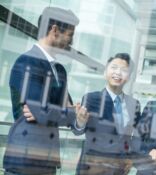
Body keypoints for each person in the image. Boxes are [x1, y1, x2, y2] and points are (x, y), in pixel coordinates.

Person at [3, 7, 83, 175]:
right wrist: (68, 112)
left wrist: (75, 116)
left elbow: (67, 119)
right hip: (24, 157)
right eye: (70, 34)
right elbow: (41, 111)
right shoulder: (26, 62)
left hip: (48, 161)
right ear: (54, 30)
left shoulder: (59, 70)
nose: (71, 41)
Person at [73, 53, 141, 175]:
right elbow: (77, 131)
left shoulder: (134, 104)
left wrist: (131, 158)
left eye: (123, 70)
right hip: (93, 167)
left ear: (129, 77)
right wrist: (80, 123)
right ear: (105, 72)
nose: (118, 73)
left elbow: (135, 136)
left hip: (119, 168)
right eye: (114, 68)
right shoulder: (91, 98)